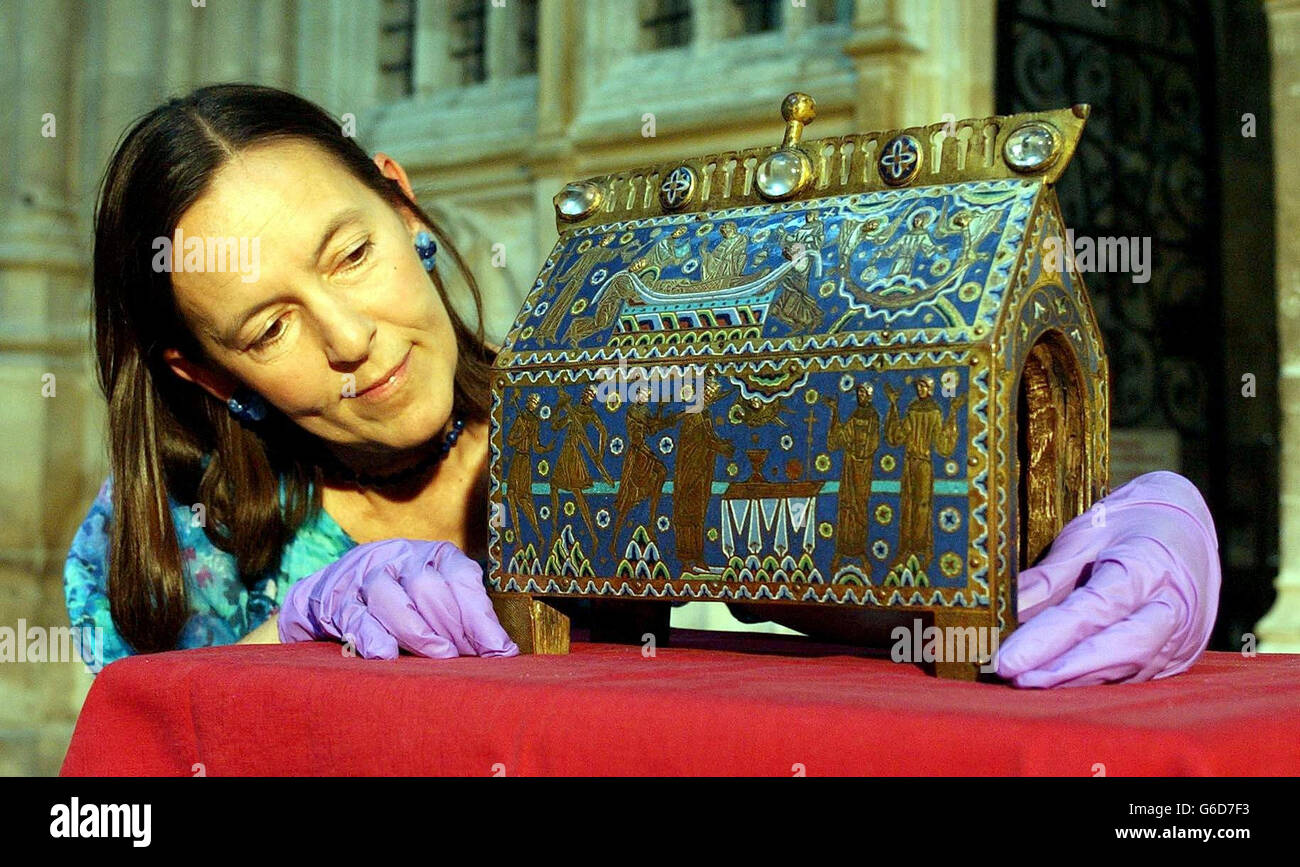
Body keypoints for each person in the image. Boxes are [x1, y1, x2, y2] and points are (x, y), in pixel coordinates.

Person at [65, 84, 1221, 688]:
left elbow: (868, 575)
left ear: (405, 205)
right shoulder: (163, 550)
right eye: (267, 325)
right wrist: (303, 628)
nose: (350, 340)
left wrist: (1116, 533)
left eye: (351, 253)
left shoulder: (624, 416)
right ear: (200, 369)